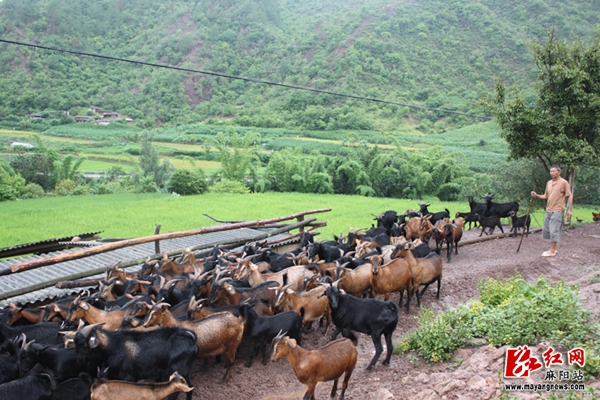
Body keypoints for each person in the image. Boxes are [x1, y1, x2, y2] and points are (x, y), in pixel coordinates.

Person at [531, 164, 573, 257]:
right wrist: (536, 195)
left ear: (559, 172)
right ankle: (553, 248)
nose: (552, 173)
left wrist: (570, 210)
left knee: (554, 229)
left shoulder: (563, 182)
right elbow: (546, 196)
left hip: (558, 210)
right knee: (548, 229)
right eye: (551, 171)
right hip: (549, 209)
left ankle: (552, 250)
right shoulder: (549, 183)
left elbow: (569, 195)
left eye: (554, 171)